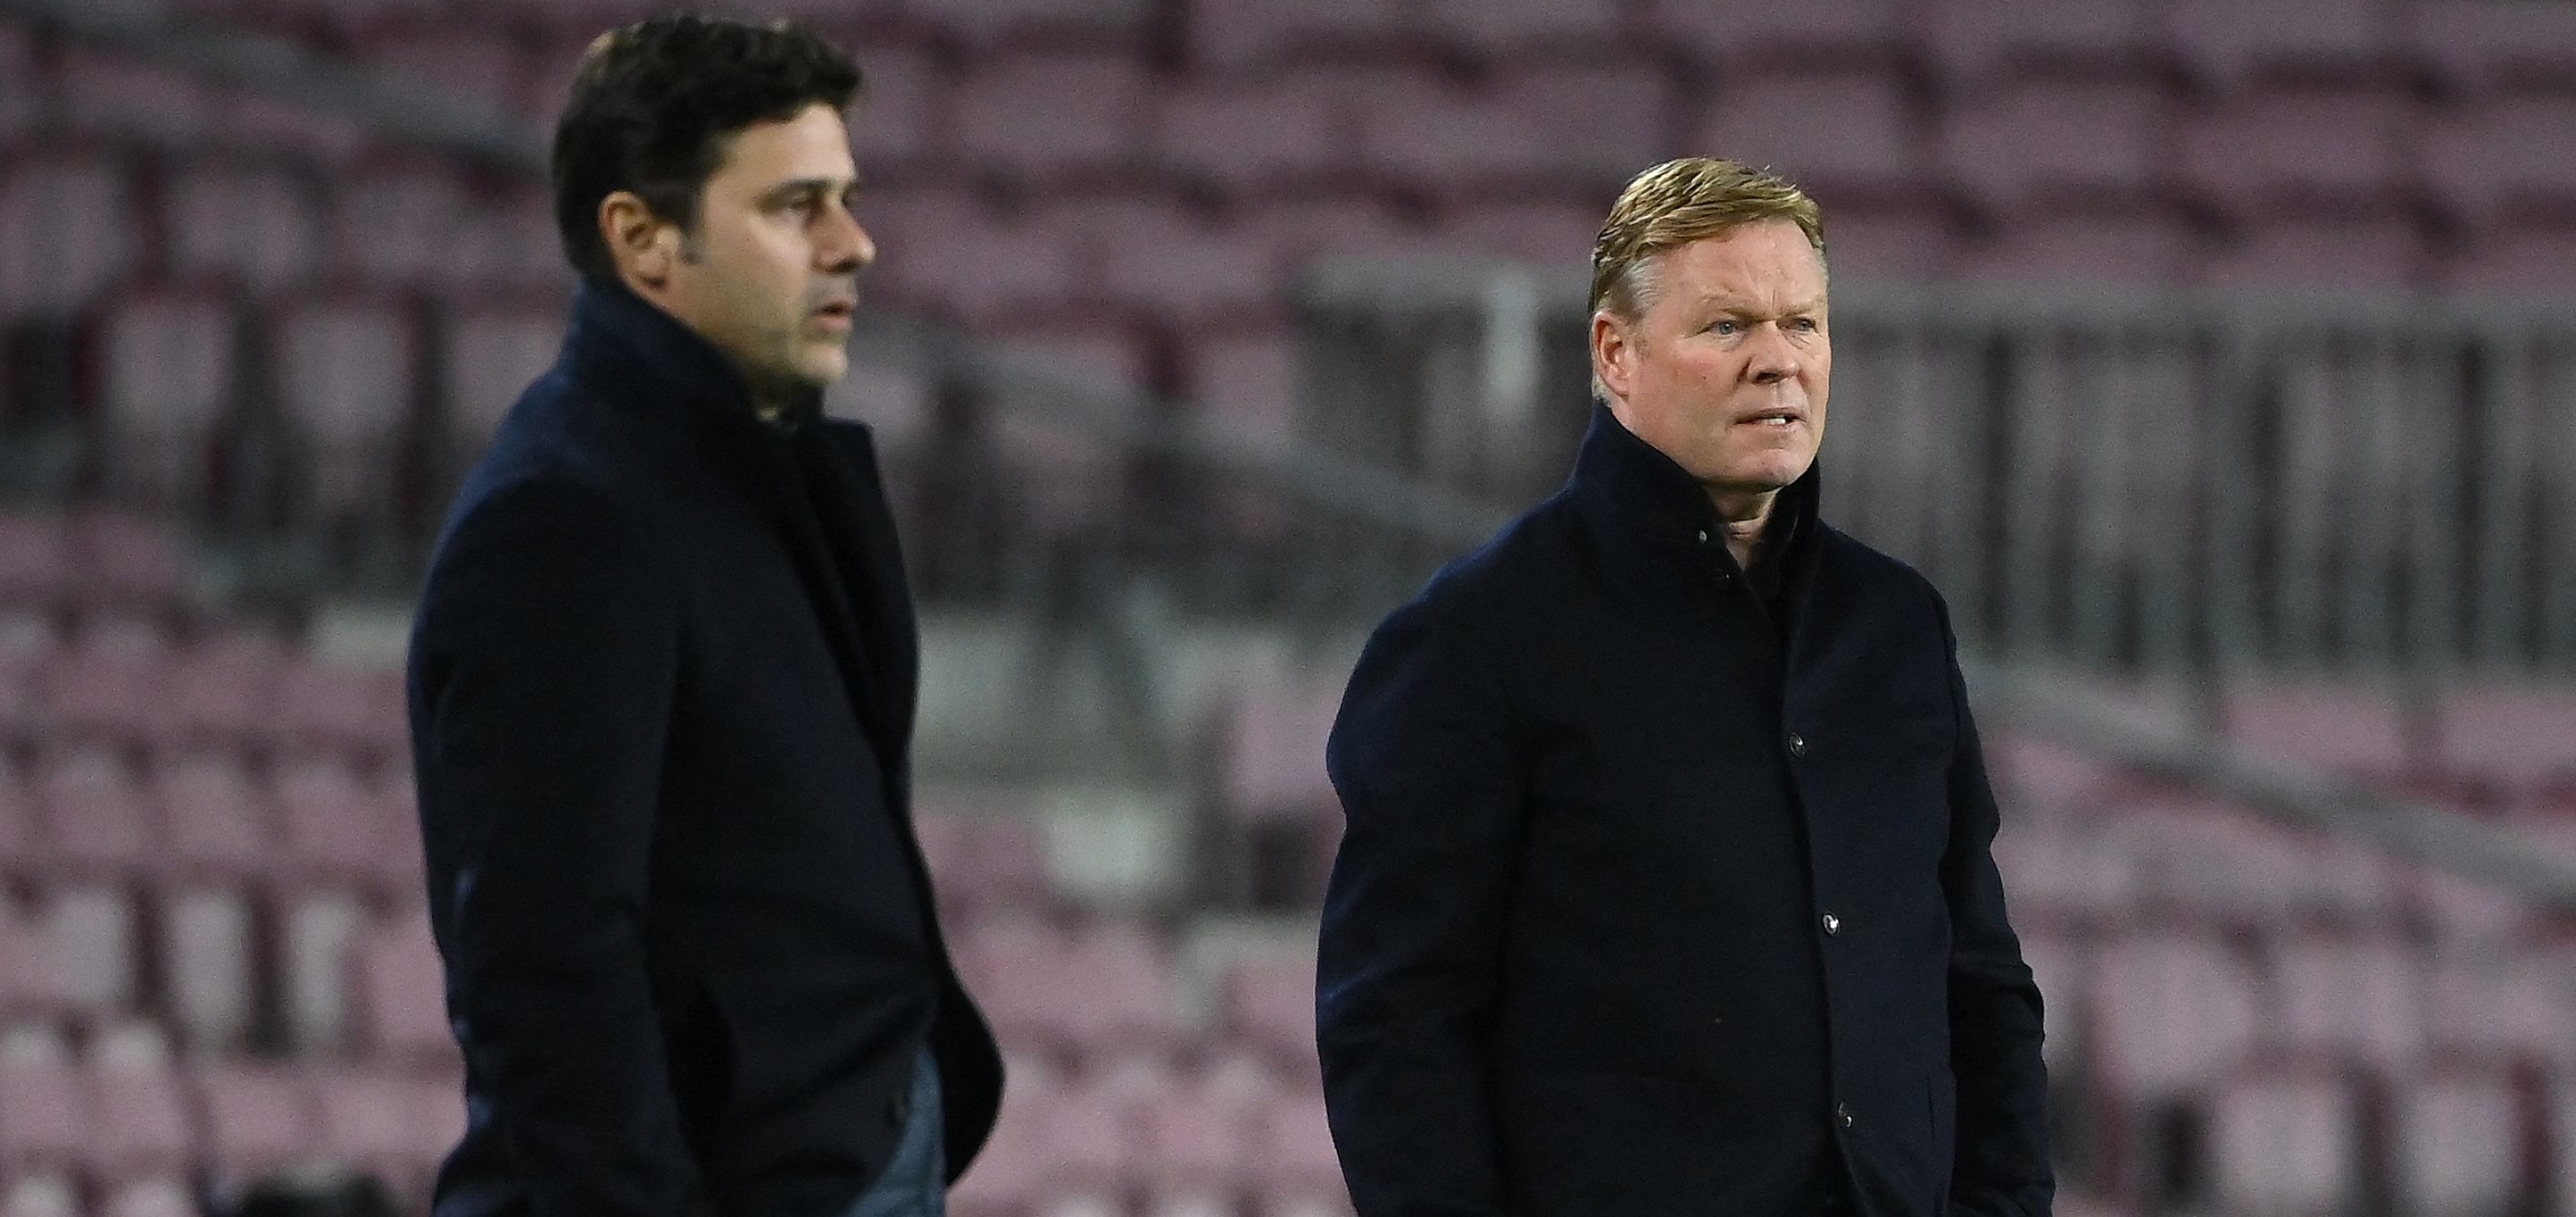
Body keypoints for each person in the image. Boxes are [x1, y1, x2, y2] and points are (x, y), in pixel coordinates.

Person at [1316, 157, 2052, 1216]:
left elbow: (1979, 985)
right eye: (1727, 326)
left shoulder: (1898, 628)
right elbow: (1395, 1022)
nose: (1778, 362)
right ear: (1616, 354)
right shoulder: (1476, 639)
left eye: (1803, 324)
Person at [406, 16, 1001, 1217]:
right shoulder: (565, 517)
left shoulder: (733, 466)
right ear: (644, 241)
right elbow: (543, 963)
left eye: (845, 198)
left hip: (836, 1153)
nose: (854, 244)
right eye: (795, 207)